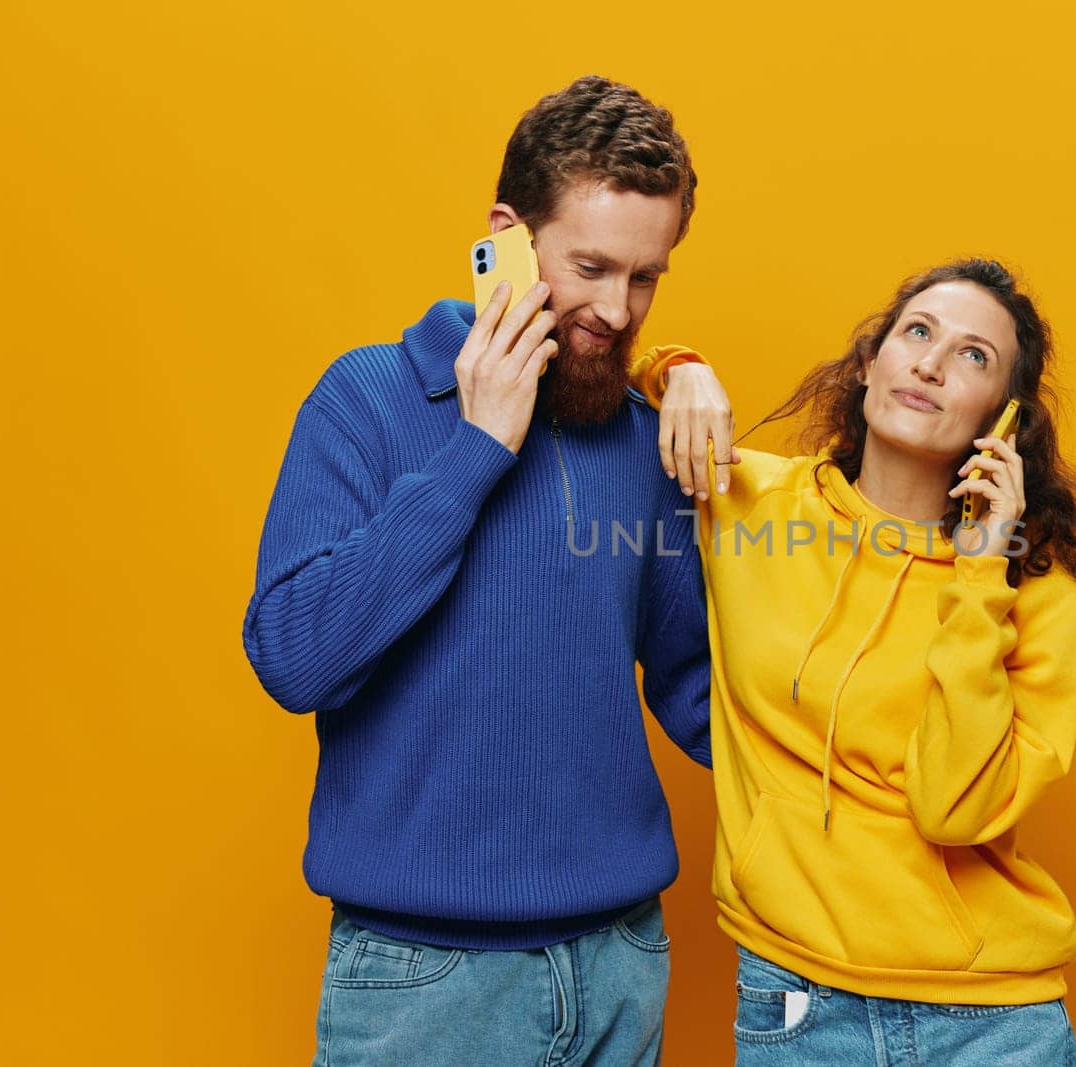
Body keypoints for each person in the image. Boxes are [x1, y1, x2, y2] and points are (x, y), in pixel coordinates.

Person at [242, 75, 737, 1065]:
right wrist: (475, 450)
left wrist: (888, 765)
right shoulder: (367, 398)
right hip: (424, 980)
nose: (613, 307)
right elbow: (295, 659)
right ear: (505, 236)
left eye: (646, 277)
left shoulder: (643, 437)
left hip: (619, 962)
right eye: (590, 265)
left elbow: (701, 692)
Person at [640, 258, 1076, 1065]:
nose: (930, 361)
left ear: (1003, 420)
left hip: (993, 1022)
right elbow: (598, 385)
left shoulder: (1034, 591)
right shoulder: (748, 507)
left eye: (973, 356)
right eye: (917, 332)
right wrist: (676, 366)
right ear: (869, 362)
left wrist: (979, 569)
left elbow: (952, 810)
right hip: (797, 1003)